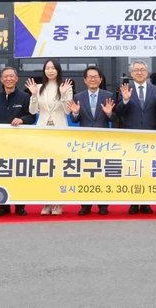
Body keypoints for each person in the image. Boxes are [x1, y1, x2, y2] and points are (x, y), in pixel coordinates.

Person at [0, 67, 36, 217]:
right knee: (1, 173)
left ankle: (20, 207)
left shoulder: (25, 97)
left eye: (11, 76)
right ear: (1, 79)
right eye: (6, 77)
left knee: (19, 174)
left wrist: (22, 119)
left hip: (19, 142)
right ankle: (3, 207)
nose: (9, 79)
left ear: (16, 79)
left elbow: (32, 117)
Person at [115, 60, 156, 215]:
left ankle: (146, 202)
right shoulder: (125, 89)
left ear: (147, 73)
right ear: (131, 73)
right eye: (136, 70)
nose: (139, 72)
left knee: (147, 169)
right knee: (134, 169)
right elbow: (118, 112)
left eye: (142, 69)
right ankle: (134, 202)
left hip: (150, 136)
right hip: (131, 137)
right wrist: (125, 100)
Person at [27, 58, 73, 215]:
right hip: (43, 132)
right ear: (44, 70)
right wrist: (33, 95)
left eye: (53, 68)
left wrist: (64, 94)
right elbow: (33, 111)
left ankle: (58, 204)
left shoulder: (66, 87)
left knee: (59, 167)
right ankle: (46, 203)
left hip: (60, 131)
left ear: (58, 70)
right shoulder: (38, 88)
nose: (50, 70)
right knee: (44, 167)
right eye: (47, 68)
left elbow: (68, 111)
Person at [68, 66, 116, 216]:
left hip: (103, 141)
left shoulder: (109, 96)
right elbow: (74, 119)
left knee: (103, 173)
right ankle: (86, 205)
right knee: (86, 172)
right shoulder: (78, 97)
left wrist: (109, 114)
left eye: (96, 77)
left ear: (100, 80)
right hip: (85, 141)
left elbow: (115, 118)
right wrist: (75, 113)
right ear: (85, 80)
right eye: (90, 77)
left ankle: (103, 205)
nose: (93, 79)